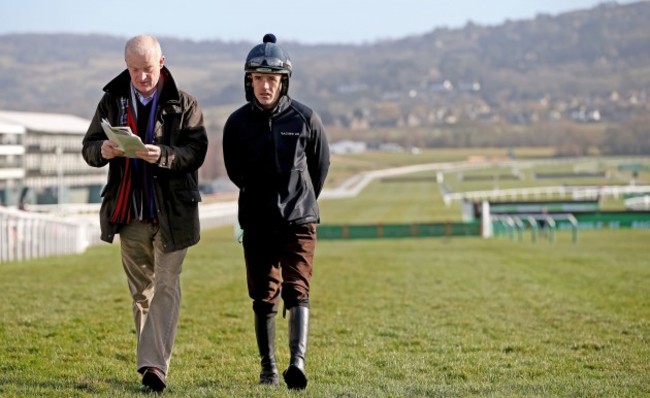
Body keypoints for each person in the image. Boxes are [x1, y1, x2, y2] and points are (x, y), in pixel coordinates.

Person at [81, 35, 208, 393]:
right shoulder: (111, 102)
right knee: (141, 293)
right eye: (134, 70)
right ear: (127, 67)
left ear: (162, 62)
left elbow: (196, 151)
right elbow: (87, 149)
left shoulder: (185, 104)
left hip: (172, 213)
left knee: (167, 284)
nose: (141, 77)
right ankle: (152, 362)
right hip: (129, 212)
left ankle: (154, 366)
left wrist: (163, 155)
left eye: (148, 69)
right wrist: (104, 150)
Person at [222, 33, 330, 390]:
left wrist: (300, 200)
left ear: (283, 82)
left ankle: (296, 364)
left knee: (297, 287)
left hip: (299, 219)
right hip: (256, 221)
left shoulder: (305, 119)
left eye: (272, 80)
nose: (265, 86)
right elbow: (235, 172)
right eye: (258, 79)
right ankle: (268, 369)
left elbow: (320, 167)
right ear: (248, 81)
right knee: (263, 293)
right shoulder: (236, 124)